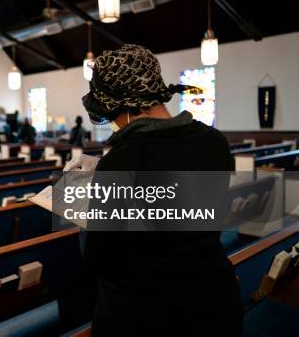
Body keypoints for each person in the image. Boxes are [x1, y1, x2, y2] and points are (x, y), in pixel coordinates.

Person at [79, 44, 242, 335]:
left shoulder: (121, 161)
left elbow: (99, 257)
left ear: (122, 103)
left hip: (147, 316)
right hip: (216, 303)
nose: (113, 123)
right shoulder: (214, 142)